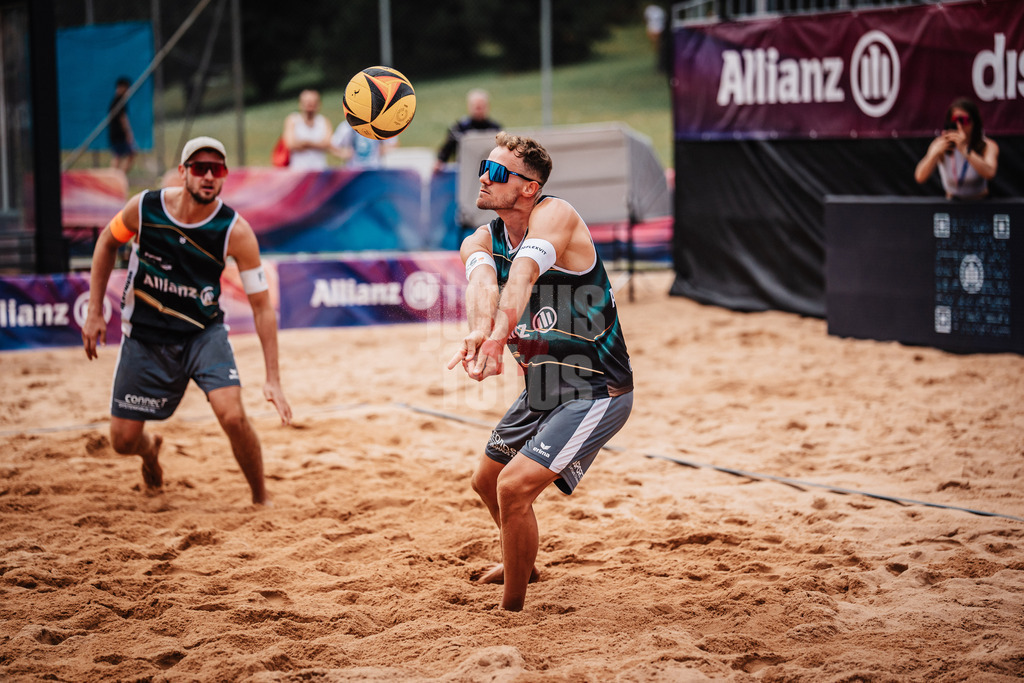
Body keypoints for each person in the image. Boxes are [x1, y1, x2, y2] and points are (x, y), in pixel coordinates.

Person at [446, 132, 634, 611]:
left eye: (496, 172)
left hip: (596, 388)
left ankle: (511, 609)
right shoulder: (481, 238)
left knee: (512, 488)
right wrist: (478, 331)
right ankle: (522, 561)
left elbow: (524, 274)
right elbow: (483, 283)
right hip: (545, 387)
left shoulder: (556, 215)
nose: (483, 179)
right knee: (486, 481)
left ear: (529, 187)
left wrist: (497, 336)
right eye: (483, 168)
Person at [81, 136, 292, 505]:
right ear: (183, 172)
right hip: (145, 337)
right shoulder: (145, 208)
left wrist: (273, 378)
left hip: (202, 335)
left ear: (224, 175)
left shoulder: (235, 231)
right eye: (200, 168)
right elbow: (106, 242)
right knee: (123, 442)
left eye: (217, 169)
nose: (209, 176)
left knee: (232, 416)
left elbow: (261, 307)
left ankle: (261, 499)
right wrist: (95, 310)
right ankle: (150, 452)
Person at [914, 97, 999, 201]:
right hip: (952, 202)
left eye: (964, 120)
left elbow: (990, 173)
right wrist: (934, 154)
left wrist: (965, 150)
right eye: (955, 120)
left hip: (979, 201)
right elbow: (920, 177)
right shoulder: (942, 143)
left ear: (974, 122)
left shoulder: (988, 145)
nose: (959, 125)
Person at [434, 89, 502, 172]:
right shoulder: (459, 128)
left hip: (488, 169)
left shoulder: (495, 128)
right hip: (465, 168)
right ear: (470, 107)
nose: (479, 110)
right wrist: (440, 161)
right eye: (477, 107)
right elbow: (448, 148)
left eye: (482, 107)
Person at [282, 89, 332, 171]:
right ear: (300, 103)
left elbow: (327, 144)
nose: (310, 104)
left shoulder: (324, 121)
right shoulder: (293, 120)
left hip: (319, 169)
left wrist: (305, 143)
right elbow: (291, 144)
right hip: (297, 170)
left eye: (313, 102)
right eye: (307, 101)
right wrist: (317, 144)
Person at [331, 119, 396, 170]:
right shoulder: (346, 126)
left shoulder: (379, 125)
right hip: (353, 171)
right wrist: (343, 153)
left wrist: (383, 149)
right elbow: (332, 146)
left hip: (375, 169)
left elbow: (393, 143)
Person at [108, 76, 137, 173]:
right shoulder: (119, 101)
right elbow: (123, 119)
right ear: (122, 88)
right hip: (119, 134)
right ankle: (116, 176)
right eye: (127, 88)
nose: (128, 91)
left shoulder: (116, 101)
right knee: (120, 155)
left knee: (120, 155)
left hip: (115, 134)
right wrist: (128, 133)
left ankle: (118, 175)